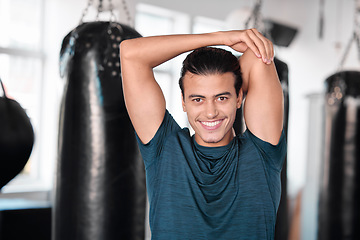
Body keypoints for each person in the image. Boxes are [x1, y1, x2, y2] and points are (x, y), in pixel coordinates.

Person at [120, 29, 286, 240]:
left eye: (222, 98)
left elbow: (257, 55)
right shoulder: (165, 147)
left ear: (239, 98)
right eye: (198, 99)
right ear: (183, 102)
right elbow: (130, 53)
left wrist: (223, 72)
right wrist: (221, 38)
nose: (210, 112)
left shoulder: (262, 153)